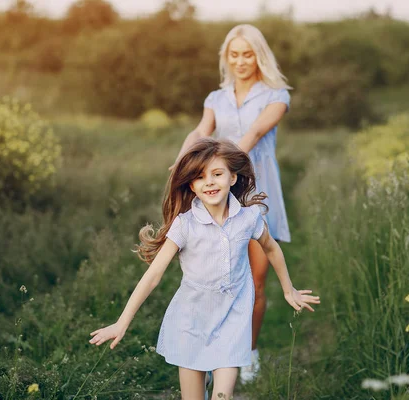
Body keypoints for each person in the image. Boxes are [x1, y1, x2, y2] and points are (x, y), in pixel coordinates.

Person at [90, 138, 319, 400]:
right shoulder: (185, 225)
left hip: (233, 316)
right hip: (191, 320)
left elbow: (271, 248)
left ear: (232, 178)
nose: (209, 182)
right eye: (200, 177)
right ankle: (203, 374)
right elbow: (153, 276)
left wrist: (289, 290)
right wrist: (122, 322)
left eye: (217, 174)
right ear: (192, 185)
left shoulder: (249, 218)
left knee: (223, 396)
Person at [170, 24, 292, 383]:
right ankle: (211, 354)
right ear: (227, 57)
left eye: (248, 53)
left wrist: (219, 161)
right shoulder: (215, 98)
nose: (241, 61)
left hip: (258, 191)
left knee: (255, 279)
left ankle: (247, 351)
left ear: (259, 56)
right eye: (234, 54)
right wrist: (182, 161)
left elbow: (252, 134)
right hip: (218, 191)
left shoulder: (277, 95)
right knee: (214, 277)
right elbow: (200, 131)